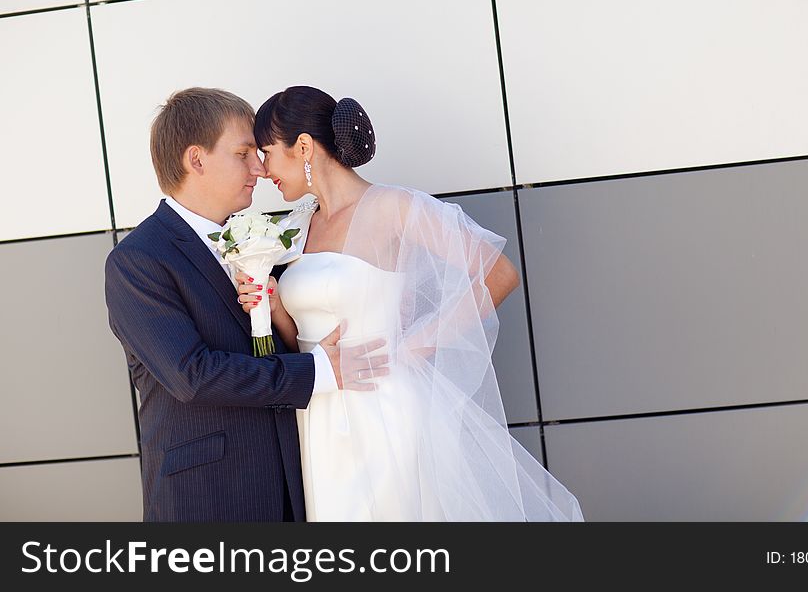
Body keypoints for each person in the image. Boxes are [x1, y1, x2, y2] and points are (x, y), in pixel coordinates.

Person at [236, 85, 584, 520]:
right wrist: (271, 305)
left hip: (383, 407)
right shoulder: (298, 225)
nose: (263, 170)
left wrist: (413, 346)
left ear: (303, 147)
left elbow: (499, 274)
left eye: (266, 152)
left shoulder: (393, 207)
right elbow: (300, 338)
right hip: (317, 413)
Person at [104, 87, 387, 521]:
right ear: (196, 160)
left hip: (297, 484)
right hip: (210, 497)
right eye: (243, 153)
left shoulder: (261, 240)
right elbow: (192, 376)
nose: (260, 167)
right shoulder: (139, 260)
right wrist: (320, 370)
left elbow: (277, 347)